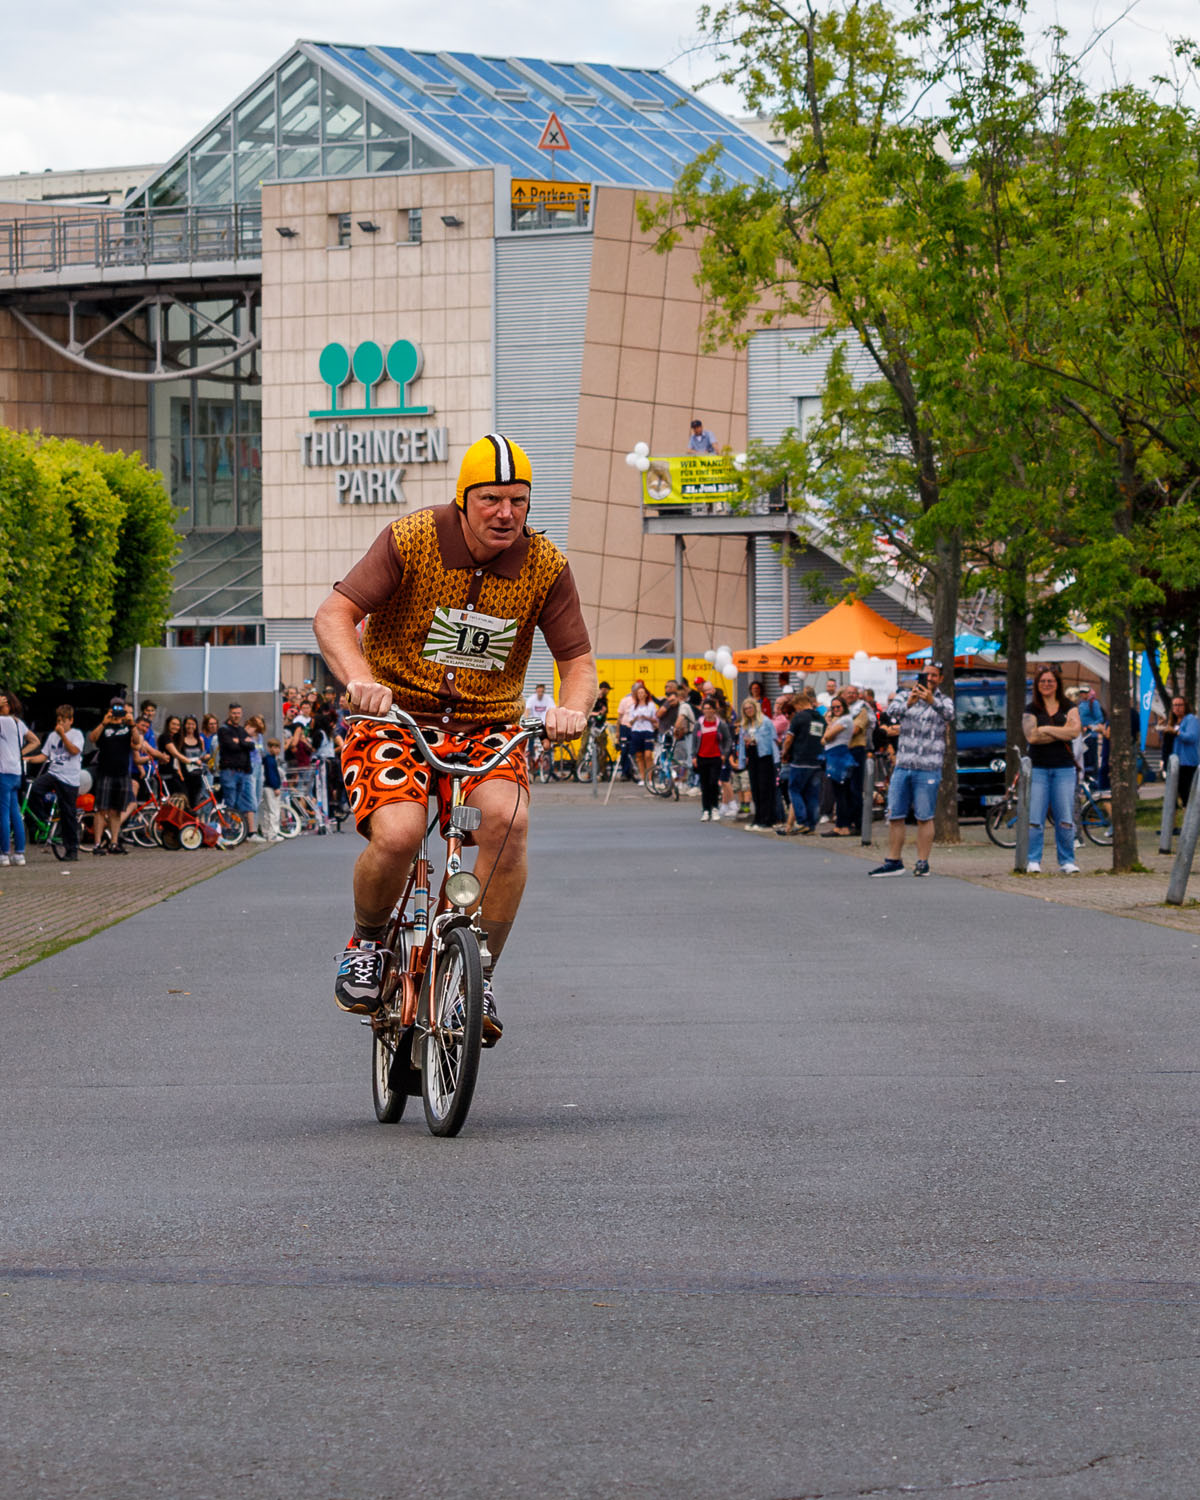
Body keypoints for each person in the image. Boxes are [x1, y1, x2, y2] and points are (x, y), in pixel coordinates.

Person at [312, 431, 596, 1034]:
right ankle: (365, 942)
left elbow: (578, 665)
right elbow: (335, 614)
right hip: (395, 717)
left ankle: (476, 977)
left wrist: (571, 709)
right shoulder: (411, 539)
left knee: (510, 824)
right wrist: (360, 678)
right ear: (463, 500)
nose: (506, 513)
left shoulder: (546, 567)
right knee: (398, 833)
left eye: (518, 500)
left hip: (487, 726)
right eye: (492, 499)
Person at [869, 663, 955, 876]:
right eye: (927, 675)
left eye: (934, 675)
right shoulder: (904, 695)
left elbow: (950, 715)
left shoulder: (943, 700)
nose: (930, 679)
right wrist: (910, 702)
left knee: (924, 816)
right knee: (895, 814)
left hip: (928, 767)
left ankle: (922, 862)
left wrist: (931, 701)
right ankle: (894, 860)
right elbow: (891, 713)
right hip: (903, 764)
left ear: (940, 679)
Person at [1021, 664, 1082, 875]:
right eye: (1043, 681)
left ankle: (1067, 860)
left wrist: (1045, 728)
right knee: (1035, 817)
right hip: (1039, 768)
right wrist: (1060, 731)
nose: (1047, 684)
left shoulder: (1069, 706)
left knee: (1064, 816)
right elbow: (1032, 737)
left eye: (1051, 681)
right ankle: (1033, 860)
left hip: (1064, 768)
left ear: (1057, 684)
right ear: (1037, 685)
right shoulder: (1031, 709)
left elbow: (1074, 732)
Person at [24, 703, 84, 860]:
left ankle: (72, 850)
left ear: (70, 720)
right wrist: (28, 759)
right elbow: (44, 756)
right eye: (59, 721)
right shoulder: (52, 736)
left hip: (69, 779)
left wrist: (63, 735)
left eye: (64, 721)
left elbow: (74, 751)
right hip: (54, 773)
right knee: (34, 789)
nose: (61, 724)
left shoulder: (76, 735)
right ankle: (43, 818)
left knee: (68, 814)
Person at [88, 698, 142, 855]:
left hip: (122, 772)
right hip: (105, 771)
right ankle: (97, 844)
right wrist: (104, 723)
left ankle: (114, 842)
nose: (117, 712)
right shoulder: (105, 724)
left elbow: (137, 742)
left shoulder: (127, 725)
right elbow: (92, 738)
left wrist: (132, 724)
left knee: (116, 810)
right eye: (114, 708)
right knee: (101, 809)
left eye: (120, 709)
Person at [0, 687, 39, 867]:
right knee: (15, 812)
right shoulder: (17, 722)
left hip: (3, 772)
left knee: (3, 813)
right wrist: (19, 754)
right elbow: (35, 741)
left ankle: (4, 853)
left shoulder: (2, 721)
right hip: (16, 771)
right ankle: (20, 853)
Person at [778, 688, 824, 835]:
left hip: (800, 759)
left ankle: (802, 821)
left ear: (799, 704)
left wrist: (785, 752)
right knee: (812, 793)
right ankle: (811, 825)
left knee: (795, 790)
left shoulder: (799, 717)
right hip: (817, 760)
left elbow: (789, 738)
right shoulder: (820, 718)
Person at [218, 704, 264, 842]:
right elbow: (231, 746)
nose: (236, 715)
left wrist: (241, 742)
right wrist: (242, 743)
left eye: (238, 713)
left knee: (241, 803)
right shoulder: (224, 730)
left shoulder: (241, 730)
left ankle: (239, 832)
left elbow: (251, 746)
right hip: (229, 771)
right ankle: (226, 832)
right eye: (233, 713)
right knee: (230, 802)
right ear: (229, 713)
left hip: (243, 771)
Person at [738, 696, 778, 829]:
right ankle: (758, 817)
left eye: (750, 708)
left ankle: (767, 819)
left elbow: (773, 740)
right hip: (752, 757)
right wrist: (742, 761)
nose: (748, 711)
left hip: (764, 757)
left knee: (764, 788)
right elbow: (741, 743)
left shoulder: (765, 722)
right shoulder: (745, 724)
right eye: (746, 709)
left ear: (755, 708)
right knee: (755, 788)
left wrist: (776, 760)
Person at [820, 695, 857, 837]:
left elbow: (827, 737)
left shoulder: (846, 719)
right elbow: (823, 740)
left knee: (841, 792)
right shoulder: (838, 720)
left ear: (844, 707)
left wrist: (828, 725)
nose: (835, 710)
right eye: (833, 707)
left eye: (838, 707)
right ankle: (840, 825)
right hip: (833, 755)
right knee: (838, 792)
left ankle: (843, 826)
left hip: (839, 756)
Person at [693, 698, 732, 820]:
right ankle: (706, 810)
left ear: (714, 710)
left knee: (713, 783)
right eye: (705, 709)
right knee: (704, 785)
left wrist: (724, 754)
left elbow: (728, 739)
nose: (707, 711)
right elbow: (694, 741)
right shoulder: (699, 724)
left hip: (716, 757)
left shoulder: (720, 724)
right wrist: (694, 756)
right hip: (702, 757)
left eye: (709, 708)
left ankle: (715, 807)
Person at [1169, 695, 1199, 820]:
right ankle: (1176, 824)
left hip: (1188, 762)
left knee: (1187, 793)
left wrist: (1176, 732)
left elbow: (1191, 737)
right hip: (1176, 762)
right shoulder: (1174, 722)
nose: (1177, 708)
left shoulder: (1191, 719)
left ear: (1185, 706)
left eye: (1180, 705)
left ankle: (1190, 823)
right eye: (1175, 705)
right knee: (1176, 793)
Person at [627, 683, 659, 787]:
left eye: (642, 693)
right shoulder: (633, 707)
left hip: (647, 731)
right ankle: (642, 777)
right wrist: (636, 718)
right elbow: (630, 722)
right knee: (639, 756)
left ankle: (650, 777)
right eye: (639, 693)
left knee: (648, 755)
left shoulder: (651, 705)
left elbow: (655, 720)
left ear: (646, 694)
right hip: (636, 731)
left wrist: (646, 718)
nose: (640, 695)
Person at [260, 737, 284, 841]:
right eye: (275, 747)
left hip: (265, 786)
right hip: (271, 787)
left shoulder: (266, 759)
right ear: (270, 748)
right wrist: (276, 787)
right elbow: (272, 775)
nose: (277, 750)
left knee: (266, 810)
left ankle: (266, 832)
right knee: (274, 810)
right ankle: (273, 833)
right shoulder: (270, 760)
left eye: (278, 747)